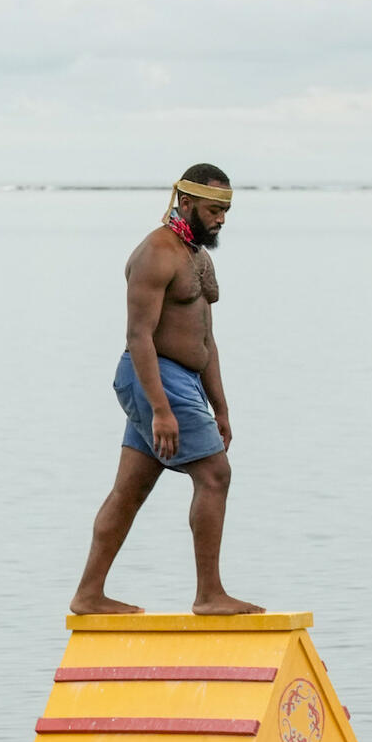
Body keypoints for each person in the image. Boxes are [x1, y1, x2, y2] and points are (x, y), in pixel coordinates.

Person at [69, 166, 263, 616]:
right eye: (214, 210)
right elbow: (139, 336)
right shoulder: (155, 253)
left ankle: (88, 595)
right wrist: (161, 409)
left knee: (130, 490)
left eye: (226, 211)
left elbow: (206, 340)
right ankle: (209, 594)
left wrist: (221, 406)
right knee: (215, 474)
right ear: (187, 202)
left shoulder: (197, 256)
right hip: (154, 376)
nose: (221, 220)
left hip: (185, 381)